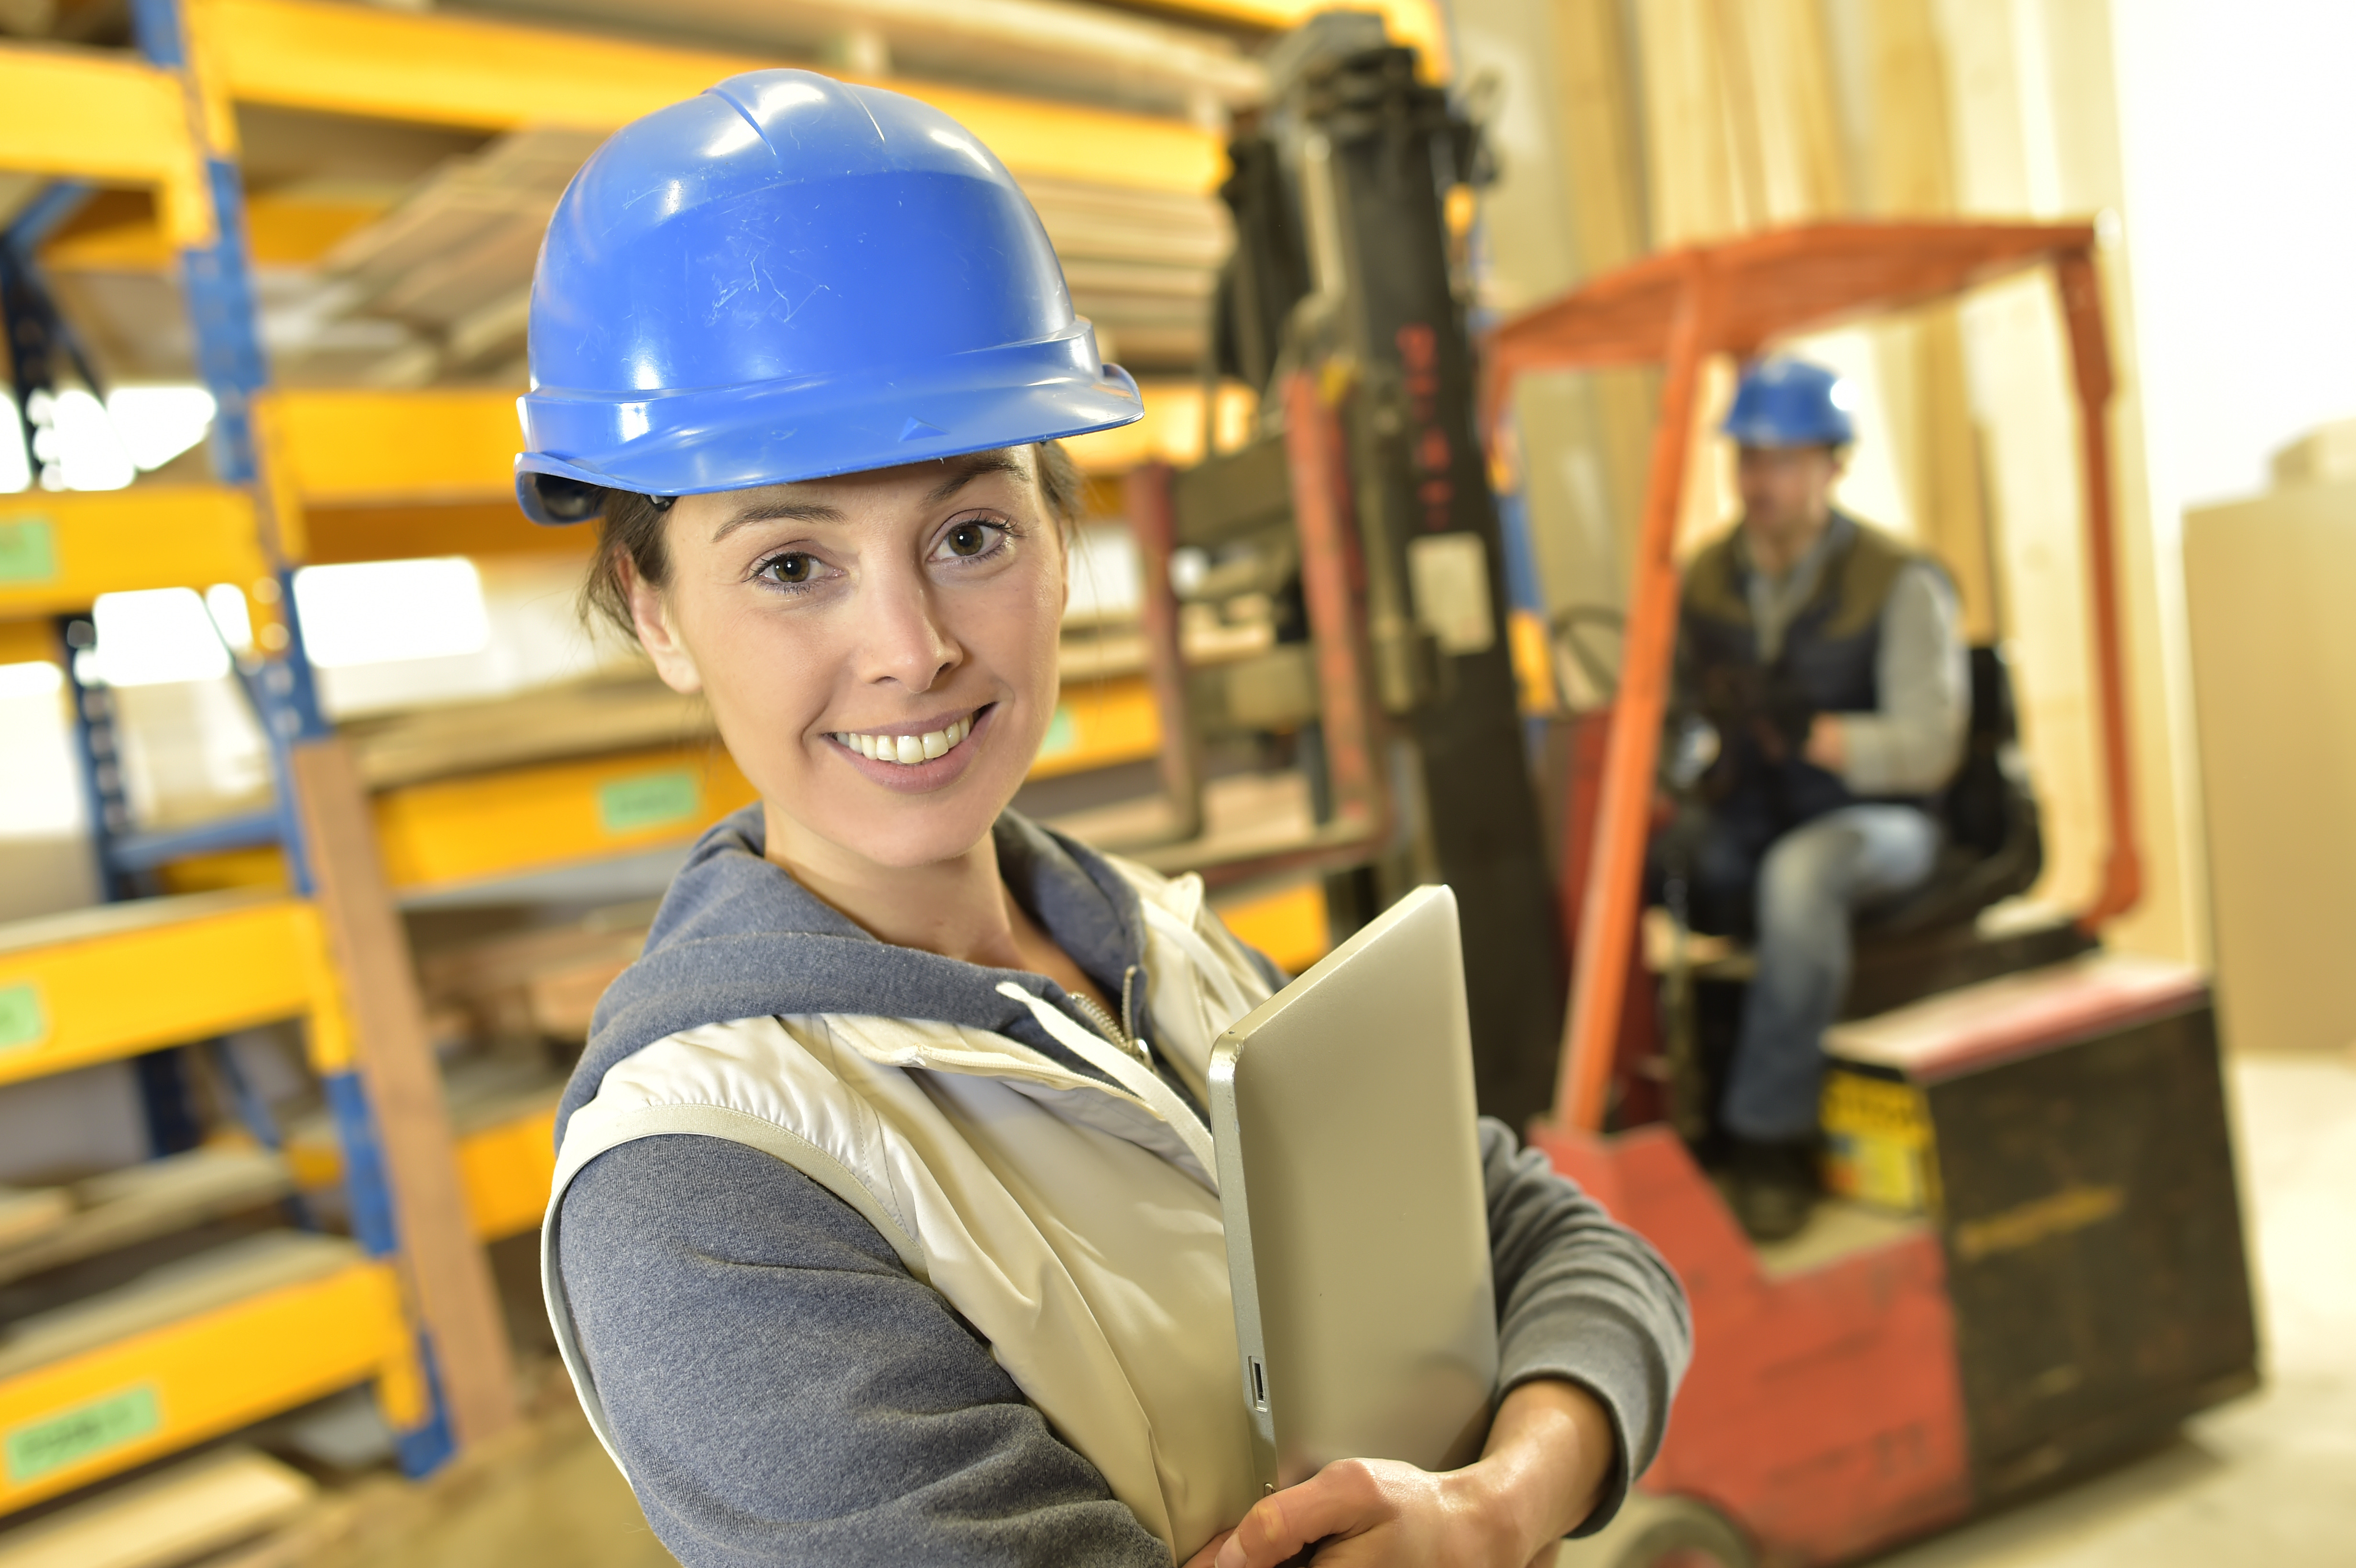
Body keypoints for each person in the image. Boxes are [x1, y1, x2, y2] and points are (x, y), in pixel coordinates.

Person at [524, 70, 1691, 1567]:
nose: (913, 646)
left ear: (1061, 546)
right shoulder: (703, 1188)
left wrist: (1492, 1507)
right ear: (657, 611)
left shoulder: (1155, 946)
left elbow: (1567, 1248)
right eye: (792, 566)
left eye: (968, 535)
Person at [1665, 358, 1968, 1242]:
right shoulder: (1704, 580)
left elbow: (1931, 749)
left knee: (1801, 876)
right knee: (1672, 861)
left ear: (1835, 465)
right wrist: (1694, 758)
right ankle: (1682, 1102)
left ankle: (1768, 1138)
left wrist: (1821, 736)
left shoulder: (1900, 582)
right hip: (1760, 806)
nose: (1759, 482)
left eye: (1783, 462)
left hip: (1884, 823)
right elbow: (1677, 720)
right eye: (1748, 461)